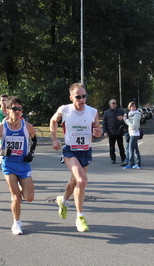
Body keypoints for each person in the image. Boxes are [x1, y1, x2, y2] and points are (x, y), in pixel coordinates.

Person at [50, 83, 102, 232]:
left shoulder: (92, 111)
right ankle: (80, 217)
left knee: (74, 182)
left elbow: (97, 129)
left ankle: (63, 200)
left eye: (84, 96)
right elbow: (53, 121)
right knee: (82, 180)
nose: (81, 99)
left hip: (85, 151)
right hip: (70, 151)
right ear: (71, 98)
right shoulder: (65, 110)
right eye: (78, 97)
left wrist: (98, 132)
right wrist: (54, 138)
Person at [0, 96, 37, 235]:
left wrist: (31, 154)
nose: (17, 112)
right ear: (7, 110)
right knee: (16, 198)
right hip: (9, 165)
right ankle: (16, 223)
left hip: (23, 164)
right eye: (14, 109)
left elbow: (34, 142)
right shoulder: (2, 127)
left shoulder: (27, 127)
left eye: (20, 109)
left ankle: (19, 186)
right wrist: (2, 152)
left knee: (29, 198)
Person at [102, 99, 126, 165]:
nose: (115, 104)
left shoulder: (120, 111)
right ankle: (113, 158)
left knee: (121, 146)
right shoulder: (107, 112)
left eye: (115, 103)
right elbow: (104, 123)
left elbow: (125, 121)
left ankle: (123, 158)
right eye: (113, 103)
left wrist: (122, 120)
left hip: (119, 132)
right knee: (112, 147)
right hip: (111, 132)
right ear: (110, 105)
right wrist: (105, 132)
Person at [122, 101, 142, 169]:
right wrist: (126, 119)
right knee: (135, 150)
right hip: (132, 134)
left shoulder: (136, 115)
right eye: (131, 106)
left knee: (131, 149)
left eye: (134, 106)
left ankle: (130, 164)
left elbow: (134, 126)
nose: (133, 108)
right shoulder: (131, 114)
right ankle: (138, 164)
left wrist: (126, 120)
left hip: (134, 134)